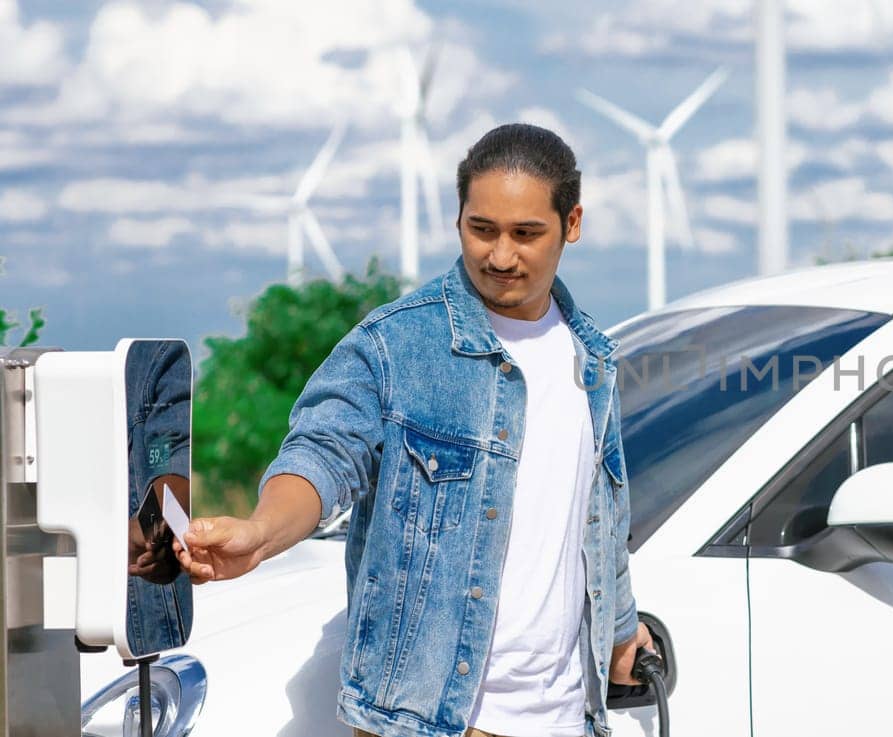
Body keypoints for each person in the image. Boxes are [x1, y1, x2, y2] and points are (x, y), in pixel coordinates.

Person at [175, 124, 654, 737]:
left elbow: (605, 516)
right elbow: (322, 455)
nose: (500, 255)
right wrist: (261, 533)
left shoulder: (593, 359)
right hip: (428, 723)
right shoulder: (395, 344)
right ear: (458, 219)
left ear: (573, 223)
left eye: (525, 234)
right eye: (482, 229)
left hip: (568, 719)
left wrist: (619, 634)